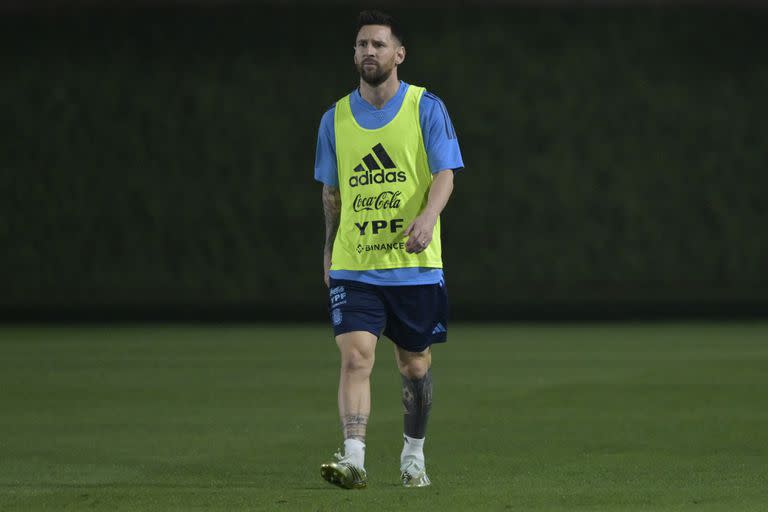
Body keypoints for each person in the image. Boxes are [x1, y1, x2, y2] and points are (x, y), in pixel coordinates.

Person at [314, 9, 464, 490]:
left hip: (414, 267)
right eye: (361, 44)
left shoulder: (426, 107)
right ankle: (354, 458)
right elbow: (331, 194)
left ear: (399, 53)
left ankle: (413, 455)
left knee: (413, 365)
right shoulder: (334, 119)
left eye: (378, 44)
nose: (369, 52)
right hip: (356, 264)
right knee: (356, 357)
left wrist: (427, 217)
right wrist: (328, 252)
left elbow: (446, 174)